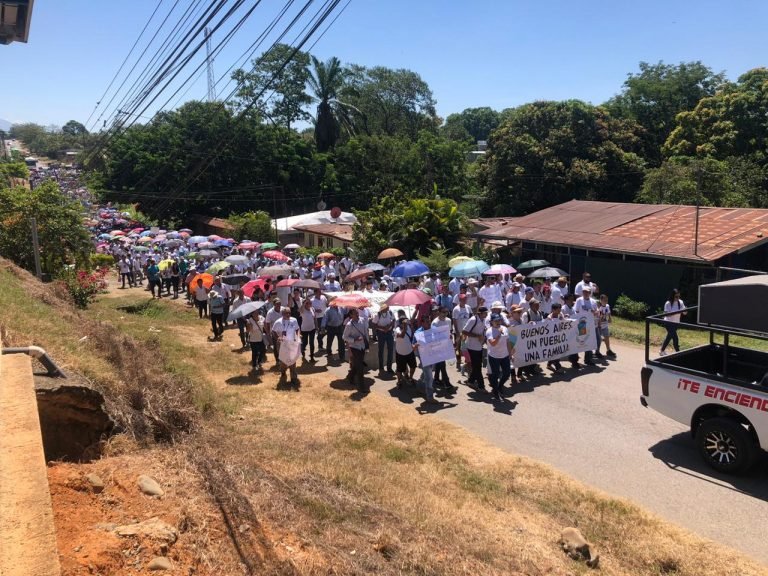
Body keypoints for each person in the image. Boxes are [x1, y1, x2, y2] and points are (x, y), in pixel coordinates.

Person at [486, 313, 512, 401]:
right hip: (494, 357)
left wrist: (510, 354)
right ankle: (496, 391)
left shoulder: (504, 328)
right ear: (491, 322)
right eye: (495, 321)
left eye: (499, 320)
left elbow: (508, 341)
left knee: (507, 373)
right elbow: (493, 343)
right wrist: (499, 335)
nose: (498, 322)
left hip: (504, 355)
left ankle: (499, 386)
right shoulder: (489, 331)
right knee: (495, 374)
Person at [462, 307, 488, 390]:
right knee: (478, 367)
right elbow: (464, 331)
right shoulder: (473, 320)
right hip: (471, 347)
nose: (486, 314)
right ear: (480, 313)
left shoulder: (483, 320)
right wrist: (477, 336)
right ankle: (481, 386)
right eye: (485, 312)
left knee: (476, 366)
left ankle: (470, 381)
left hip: (479, 347)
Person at [414, 315, 438, 404]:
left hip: (433, 354)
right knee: (429, 377)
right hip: (424, 356)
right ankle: (430, 397)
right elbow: (413, 346)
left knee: (428, 372)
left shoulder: (434, 328)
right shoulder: (418, 332)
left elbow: (441, 337)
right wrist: (415, 345)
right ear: (422, 323)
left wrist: (448, 336)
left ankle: (419, 385)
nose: (429, 323)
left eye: (429, 321)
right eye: (427, 322)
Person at [343, 308, 369, 391]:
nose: (357, 314)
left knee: (357, 364)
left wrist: (367, 343)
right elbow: (344, 337)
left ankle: (350, 376)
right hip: (354, 347)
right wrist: (354, 340)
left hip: (362, 346)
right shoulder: (349, 325)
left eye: (357, 313)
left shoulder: (362, 320)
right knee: (360, 367)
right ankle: (362, 387)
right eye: (355, 313)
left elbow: (365, 332)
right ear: (351, 315)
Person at [431, 307, 457, 392]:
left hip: (446, 345)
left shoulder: (448, 320)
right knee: (442, 364)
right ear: (439, 312)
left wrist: (450, 338)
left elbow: (449, 331)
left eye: (447, 312)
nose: (445, 314)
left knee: (440, 363)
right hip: (438, 346)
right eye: (443, 312)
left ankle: (436, 379)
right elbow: (433, 336)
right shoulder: (435, 323)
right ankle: (446, 382)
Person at [274, 307, 301, 386]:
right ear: (282, 314)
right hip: (282, 344)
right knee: (283, 361)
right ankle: (283, 371)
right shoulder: (278, 322)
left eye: (289, 313)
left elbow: (297, 329)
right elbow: (273, 331)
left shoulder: (294, 320)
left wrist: (298, 336)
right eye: (286, 313)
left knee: (292, 360)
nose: (288, 314)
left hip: (292, 343)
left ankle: (293, 378)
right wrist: (278, 337)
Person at [575, 286, 599, 365]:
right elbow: (576, 311)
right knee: (580, 341)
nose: (586, 293)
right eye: (584, 292)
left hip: (591, 325)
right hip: (582, 324)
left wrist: (595, 312)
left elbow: (597, 311)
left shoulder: (593, 301)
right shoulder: (579, 300)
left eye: (588, 292)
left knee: (589, 341)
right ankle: (575, 360)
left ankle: (588, 359)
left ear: (590, 293)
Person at [660, 288, 686, 356]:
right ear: (672, 296)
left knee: (670, 336)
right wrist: (677, 312)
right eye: (676, 297)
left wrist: (685, 311)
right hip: (668, 322)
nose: (678, 298)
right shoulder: (668, 303)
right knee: (674, 337)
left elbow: (684, 312)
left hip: (676, 323)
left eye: (679, 296)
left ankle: (662, 351)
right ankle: (678, 352)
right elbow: (667, 314)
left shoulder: (681, 302)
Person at [452, 294, 473, 375]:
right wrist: (457, 332)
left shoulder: (468, 307)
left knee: (465, 347)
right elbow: (454, 320)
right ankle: (458, 360)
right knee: (458, 347)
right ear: (459, 300)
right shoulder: (456, 309)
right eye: (463, 299)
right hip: (458, 331)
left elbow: (471, 317)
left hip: (466, 332)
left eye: (465, 299)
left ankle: (466, 361)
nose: (464, 301)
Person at [372, 303, 395, 374]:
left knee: (390, 349)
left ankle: (389, 367)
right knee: (381, 350)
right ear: (383, 308)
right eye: (387, 307)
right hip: (381, 334)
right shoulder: (377, 315)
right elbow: (374, 324)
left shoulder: (390, 313)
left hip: (389, 333)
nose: (388, 308)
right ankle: (381, 367)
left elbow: (394, 320)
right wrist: (382, 328)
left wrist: (388, 327)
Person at [394, 316, 416, 387]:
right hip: (400, 353)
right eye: (405, 322)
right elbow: (402, 335)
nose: (407, 322)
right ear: (401, 323)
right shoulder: (397, 329)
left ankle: (410, 378)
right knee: (400, 369)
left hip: (410, 351)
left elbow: (412, 336)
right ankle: (399, 381)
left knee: (413, 366)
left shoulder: (409, 327)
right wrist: (405, 327)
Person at [597, 294, 617, 358]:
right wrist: (599, 323)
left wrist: (610, 318)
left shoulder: (607, 306)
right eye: (604, 300)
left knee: (607, 337)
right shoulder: (599, 308)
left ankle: (608, 350)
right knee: (599, 339)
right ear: (600, 300)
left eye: (606, 300)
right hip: (599, 326)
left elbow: (608, 313)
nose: (605, 301)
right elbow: (598, 316)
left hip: (605, 325)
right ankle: (597, 351)